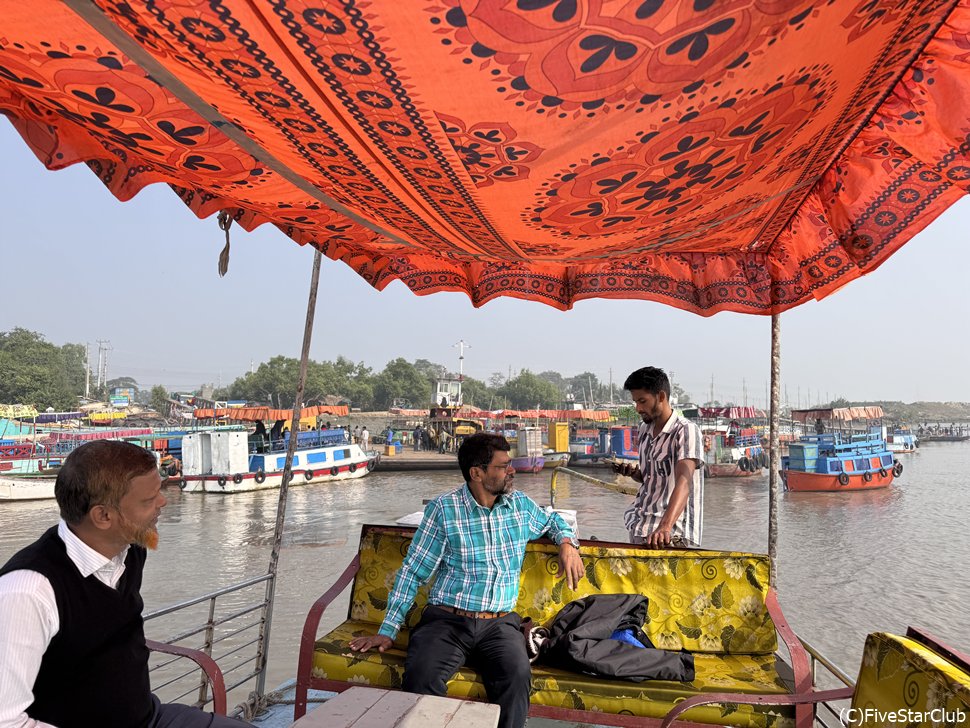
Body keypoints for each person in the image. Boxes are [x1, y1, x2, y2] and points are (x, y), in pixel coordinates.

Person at [0, 440, 250, 728]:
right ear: (104, 516)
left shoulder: (130, 549)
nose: (163, 502)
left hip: (148, 718)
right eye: (148, 500)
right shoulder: (28, 592)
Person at [348, 433, 584, 728]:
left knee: (517, 676)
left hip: (500, 625)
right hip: (447, 622)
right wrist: (387, 630)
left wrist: (566, 544)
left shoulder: (520, 507)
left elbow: (553, 521)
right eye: (503, 466)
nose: (513, 471)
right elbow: (414, 572)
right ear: (477, 473)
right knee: (421, 677)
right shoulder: (445, 510)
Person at [612, 367, 704, 548]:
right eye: (635, 402)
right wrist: (633, 474)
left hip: (669, 535)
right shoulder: (644, 429)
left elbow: (684, 483)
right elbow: (652, 478)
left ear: (661, 396)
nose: (638, 408)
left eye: (642, 401)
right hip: (640, 525)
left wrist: (665, 526)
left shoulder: (685, 430)